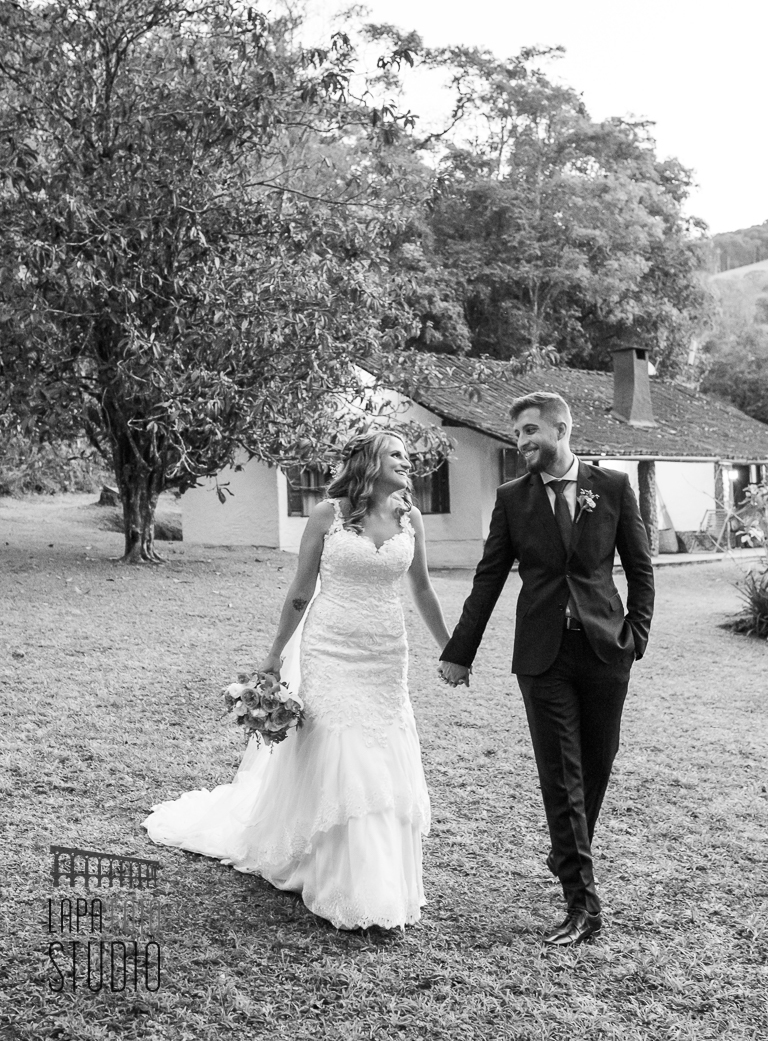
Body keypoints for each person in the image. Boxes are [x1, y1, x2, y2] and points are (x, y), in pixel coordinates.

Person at [142, 431, 451, 931]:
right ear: (370, 460)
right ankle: (333, 872)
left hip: (385, 654)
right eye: (397, 453)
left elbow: (423, 590)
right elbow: (301, 590)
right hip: (329, 647)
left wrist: (451, 650)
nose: (407, 462)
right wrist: (273, 655)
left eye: (407, 456)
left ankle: (378, 874)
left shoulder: (409, 516)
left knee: (380, 748)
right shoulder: (327, 516)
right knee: (339, 747)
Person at [438, 391, 654, 946]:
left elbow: (640, 567)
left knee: (595, 768)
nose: (523, 443)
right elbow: (488, 578)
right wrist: (460, 651)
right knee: (562, 775)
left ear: (561, 428)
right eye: (516, 436)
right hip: (543, 656)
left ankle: (567, 852)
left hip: (608, 651)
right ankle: (583, 903)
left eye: (530, 431)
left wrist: (637, 636)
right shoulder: (512, 498)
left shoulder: (613, 488)